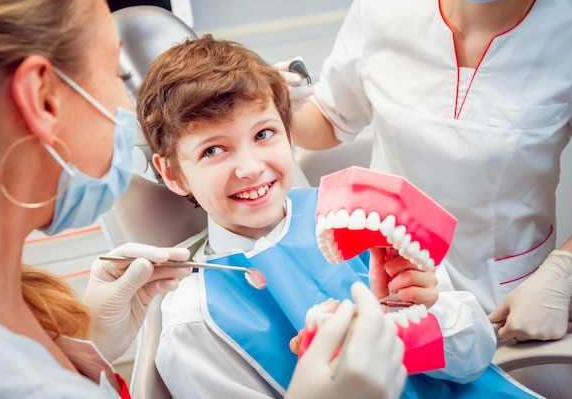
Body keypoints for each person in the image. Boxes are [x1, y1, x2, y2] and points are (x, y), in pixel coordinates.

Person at [0, 0, 410, 398]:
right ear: (43, 98)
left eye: (264, 134)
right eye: (115, 72)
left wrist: (87, 345)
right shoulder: (191, 320)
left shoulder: (9, 325)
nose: (129, 110)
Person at [136, 34, 542, 399]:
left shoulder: (364, 214)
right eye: (213, 150)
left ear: (287, 131)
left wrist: (413, 318)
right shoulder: (195, 321)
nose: (251, 168)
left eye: (263, 134)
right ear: (172, 173)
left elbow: (475, 355)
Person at [285, 0, 572, 344]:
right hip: (392, 291)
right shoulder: (382, 5)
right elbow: (327, 120)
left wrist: (564, 271)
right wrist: (276, 101)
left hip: (508, 308)